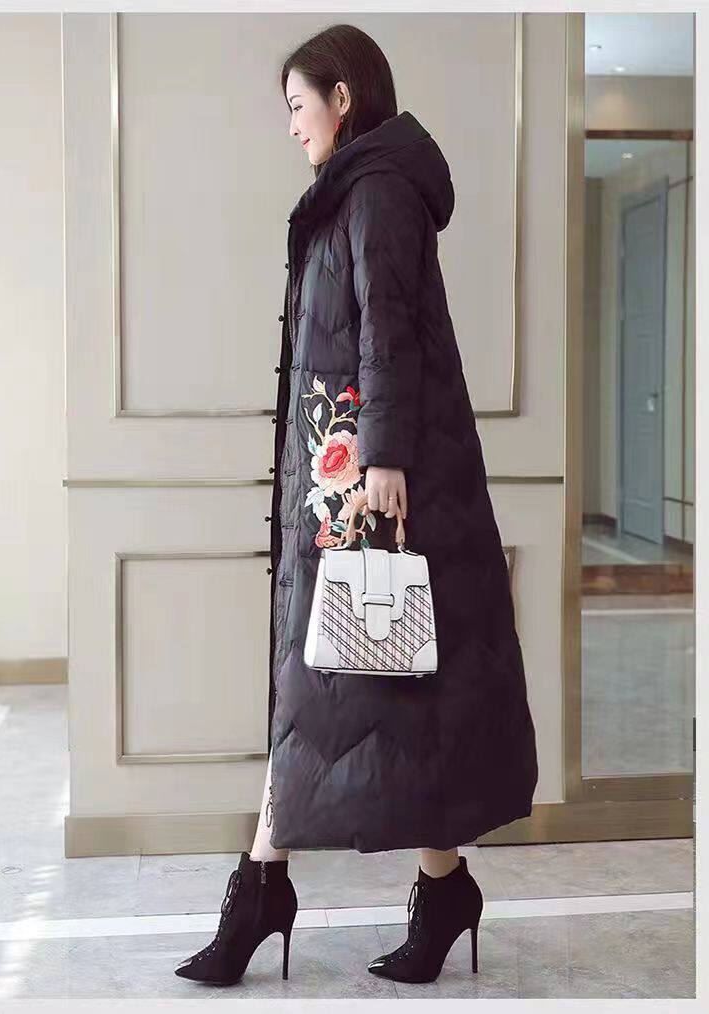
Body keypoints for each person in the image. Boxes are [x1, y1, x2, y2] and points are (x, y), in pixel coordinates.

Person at [176, 22, 538, 988]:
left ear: (343, 98)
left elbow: (388, 325)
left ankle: (265, 890)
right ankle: (434, 886)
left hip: (372, 487)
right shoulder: (363, 186)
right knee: (378, 698)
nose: (293, 126)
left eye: (300, 106)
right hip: (342, 484)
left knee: (346, 692)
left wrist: (380, 459)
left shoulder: (377, 190)